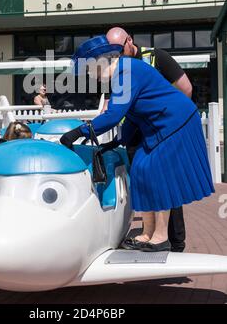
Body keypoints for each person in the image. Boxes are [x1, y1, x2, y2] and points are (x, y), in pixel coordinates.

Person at [60, 36, 214, 252]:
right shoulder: (122, 72)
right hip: (160, 125)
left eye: (87, 69)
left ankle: (161, 237)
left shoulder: (125, 71)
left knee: (157, 170)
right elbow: (132, 114)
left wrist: (78, 132)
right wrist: (117, 141)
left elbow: (114, 115)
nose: (87, 74)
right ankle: (147, 233)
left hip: (176, 122)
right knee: (140, 168)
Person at [106, 27, 191, 253]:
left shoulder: (156, 57)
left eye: (118, 48)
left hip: (161, 134)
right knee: (144, 185)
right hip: (135, 135)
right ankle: (149, 234)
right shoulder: (118, 69)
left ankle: (175, 242)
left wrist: (169, 121)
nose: (115, 54)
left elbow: (187, 89)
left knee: (168, 185)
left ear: (130, 41)